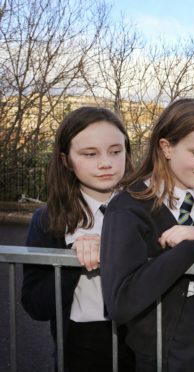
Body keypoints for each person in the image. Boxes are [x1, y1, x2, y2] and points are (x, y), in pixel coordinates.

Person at [99, 98, 194, 371]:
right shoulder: (127, 208)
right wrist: (191, 247)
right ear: (166, 147)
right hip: (162, 356)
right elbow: (121, 302)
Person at [21, 107, 135, 371]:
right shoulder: (46, 220)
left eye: (115, 151)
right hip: (80, 346)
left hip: (144, 342)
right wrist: (74, 260)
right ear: (66, 160)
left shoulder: (148, 210)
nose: (105, 162)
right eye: (89, 154)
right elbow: (36, 305)